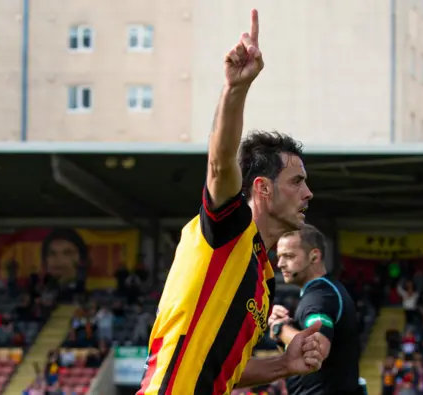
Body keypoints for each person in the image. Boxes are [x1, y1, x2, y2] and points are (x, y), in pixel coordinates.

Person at [137, 9, 320, 395]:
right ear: (263, 188)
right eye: (297, 181)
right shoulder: (230, 229)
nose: (308, 194)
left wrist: (284, 364)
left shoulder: (264, 279)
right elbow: (221, 167)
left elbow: (225, 370)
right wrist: (235, 90)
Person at [269, 225, 362, 395]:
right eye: (279, 256)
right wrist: (285, 332)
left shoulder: (319, 297)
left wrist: (279, 328)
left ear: (314, 256)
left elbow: (317, 350)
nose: (280, 264)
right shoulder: (327, 291)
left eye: (289, 256)